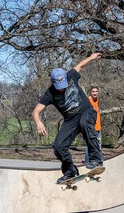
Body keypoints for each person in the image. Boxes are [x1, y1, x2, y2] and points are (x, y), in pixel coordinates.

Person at [32, 52, 103, 184]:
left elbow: (80, 65)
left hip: (86, 111)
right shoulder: (49, 93)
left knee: (84, 123)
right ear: (53, 83)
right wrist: (38, 122)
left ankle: (96, 159)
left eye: (63, 87)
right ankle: (70, 171)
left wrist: (92, 58)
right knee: (58, 146)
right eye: (59, 88)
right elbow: (36, 111)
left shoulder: (70, 75)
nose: (61, 90)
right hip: (70, 120)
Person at [84, 86, 101, 165]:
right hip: (90, 127)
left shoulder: (98, 101)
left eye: (96, 91)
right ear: (90, 92)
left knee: (98, 145)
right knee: (90, 145)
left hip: (98, 127)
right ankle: (88, 162)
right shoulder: (88, 101)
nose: (95, 93)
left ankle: (99, 161)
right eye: (93, 91)